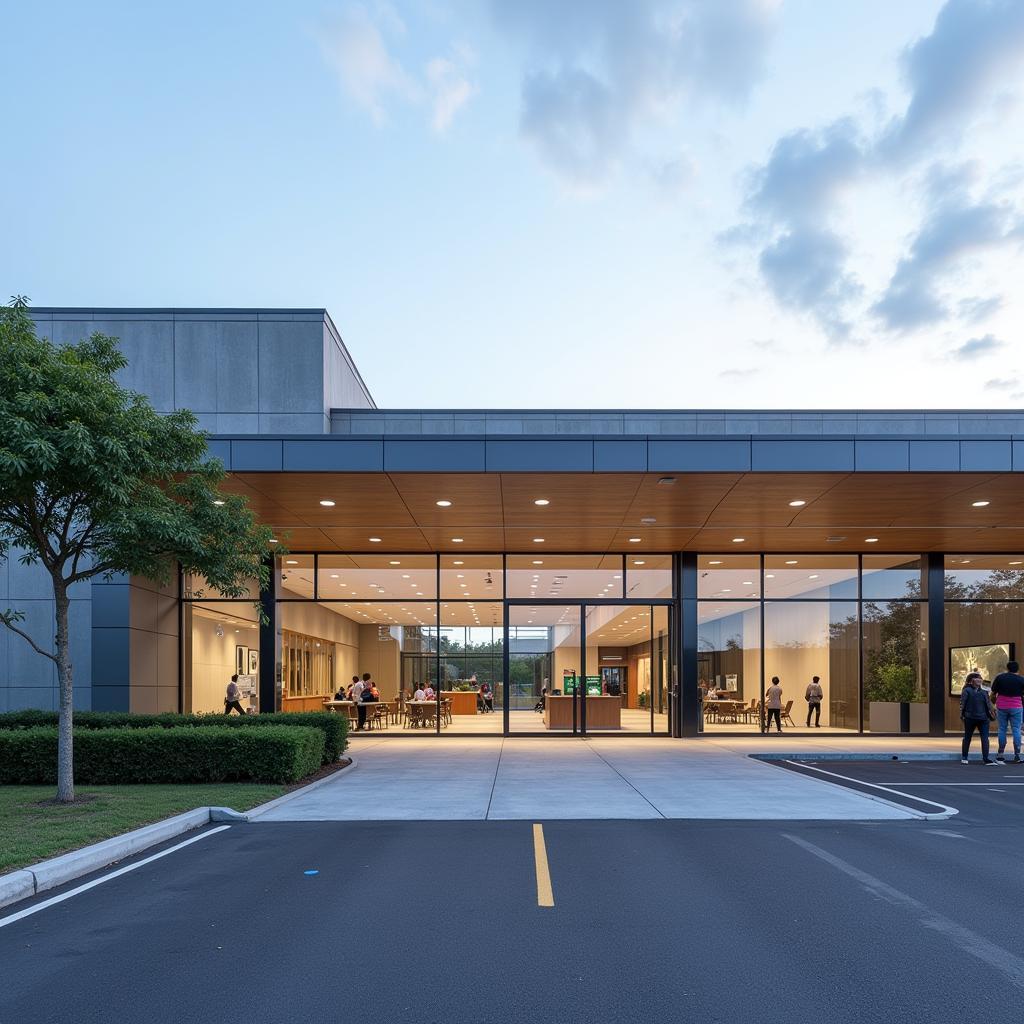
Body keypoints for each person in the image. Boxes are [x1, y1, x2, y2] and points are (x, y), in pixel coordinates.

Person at [990, 660, 1024, 763]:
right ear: (1017, 669)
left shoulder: (1000, 677)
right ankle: (1017, 755)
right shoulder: (1021, 679)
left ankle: (1000, 754)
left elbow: (993, 690)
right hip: (1017, 706)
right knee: (1016, 730)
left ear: (1007, 668)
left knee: (1002, 729)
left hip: (1002, 705)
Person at [960, 672, 996, 765]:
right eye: (977, 678)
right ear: (971, 680)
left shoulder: (984, 691)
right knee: (967, 737)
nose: (979, 680)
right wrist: (962, 715)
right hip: (969, 717)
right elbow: (962, 704)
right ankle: (964, 756)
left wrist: (992, 712)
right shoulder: (966, 690)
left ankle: (986, 758)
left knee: (985, 738)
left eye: (980, 678)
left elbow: (988, 703)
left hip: (984, 718)